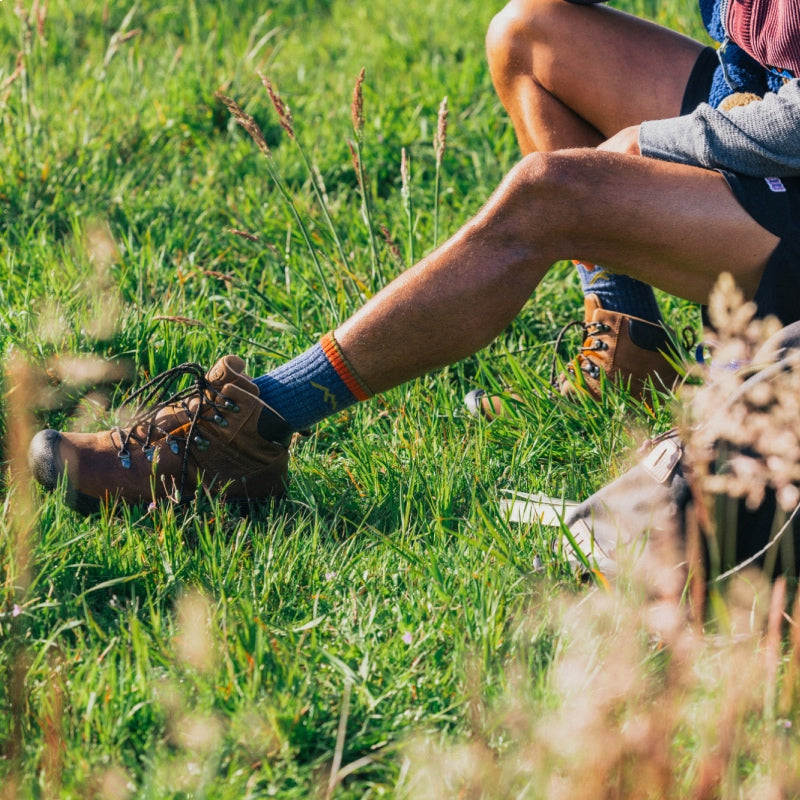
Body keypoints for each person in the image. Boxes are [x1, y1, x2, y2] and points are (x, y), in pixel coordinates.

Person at [27, 0, 800, 512]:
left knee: (550, 194)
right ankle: (630, 348)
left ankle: (249, 432)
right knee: (529, 35)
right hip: (754, 103)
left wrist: (655, 141)